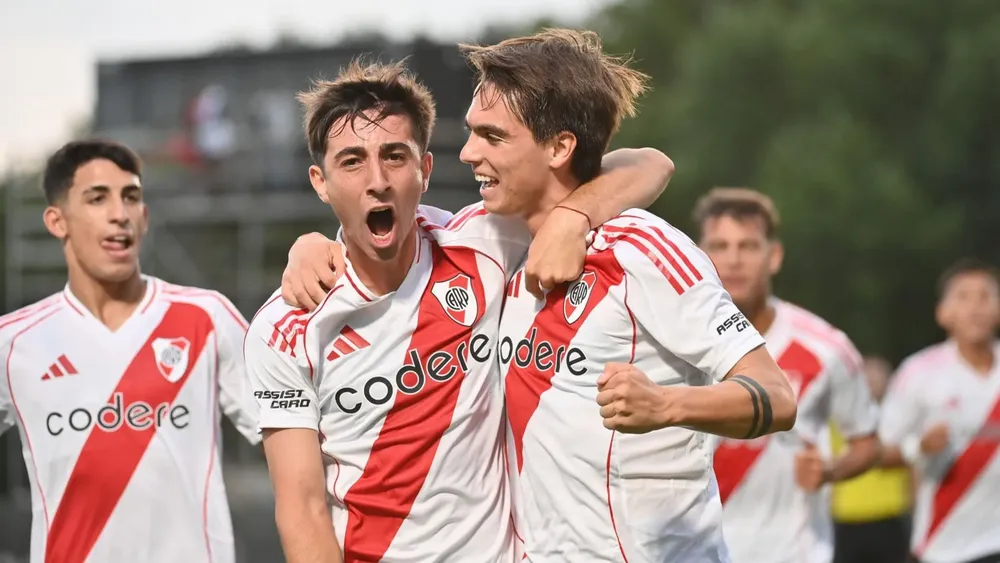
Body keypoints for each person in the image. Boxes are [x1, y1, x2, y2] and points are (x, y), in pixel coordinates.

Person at [242, 54, 673, 563]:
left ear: (425, 170)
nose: (377, 180)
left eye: (396, 156)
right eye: (352, 161)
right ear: (321, 182)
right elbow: (303, 511)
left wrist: (572, 218)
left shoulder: (483, 241)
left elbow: (650, 163)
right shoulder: (284, 327)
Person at [457, 31, 797, 562]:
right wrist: (313, 248)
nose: (468, 152)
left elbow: (777, 396)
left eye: (492, 137)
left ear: (559, 147)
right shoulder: (493, 239)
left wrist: (665, 404)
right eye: (471, 133)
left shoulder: (643, 248)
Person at [0, 139, 260, 563]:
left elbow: (294, 441)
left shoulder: (206, 317)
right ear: (56, 220)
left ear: (144, 217)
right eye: (97, 198)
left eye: (131, 197)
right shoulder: (14, 343)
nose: (119, 213)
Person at [697, 187, 881, 563]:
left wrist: (830, 471)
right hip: (694, 551)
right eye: (720, 246)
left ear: (774, 256)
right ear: (700, 255)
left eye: (748, 246)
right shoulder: (671, 343)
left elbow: (867, 442)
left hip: (794, 552)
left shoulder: (826, 347)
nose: (733, 260)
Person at [879, 259, 1000, 563]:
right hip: (946, 547)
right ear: (943, 313)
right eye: (963, 297)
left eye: (985, 296)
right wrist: (918, 447)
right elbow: (878, 451)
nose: (976, 307)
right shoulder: (919, 372)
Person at [830, 355, 912, 563]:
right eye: (866, 379)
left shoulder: (899, 419)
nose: (871, 385)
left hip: (888, 515)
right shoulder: (836, 419)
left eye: (877, 379)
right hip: (845, 517)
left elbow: (910, 461)